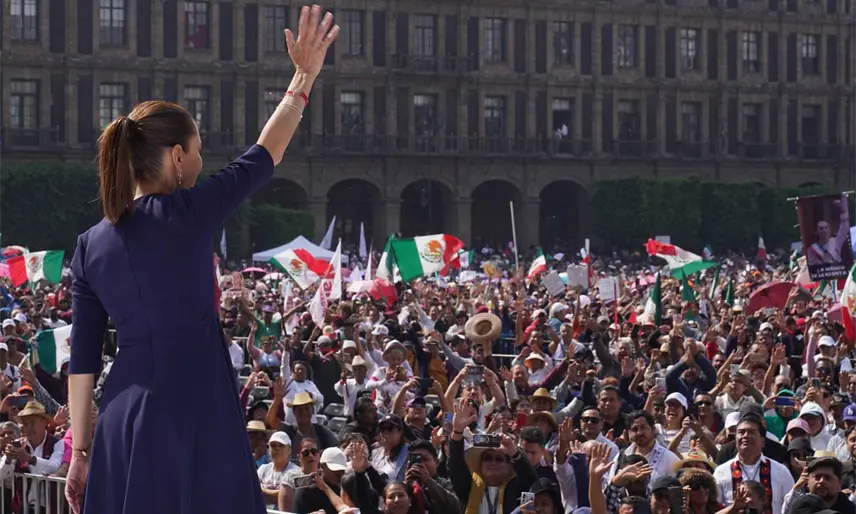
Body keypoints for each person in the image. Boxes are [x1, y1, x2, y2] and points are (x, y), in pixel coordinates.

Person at [63, 6, 340, 514]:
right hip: (193, 404)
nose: (201, 160)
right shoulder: (189, 212)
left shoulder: (88, 245)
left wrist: (80, 452)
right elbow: (265, 152)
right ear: (175, 157)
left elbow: (82, 360)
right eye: (197, 149)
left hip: (123, 414)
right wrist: (303, 78)